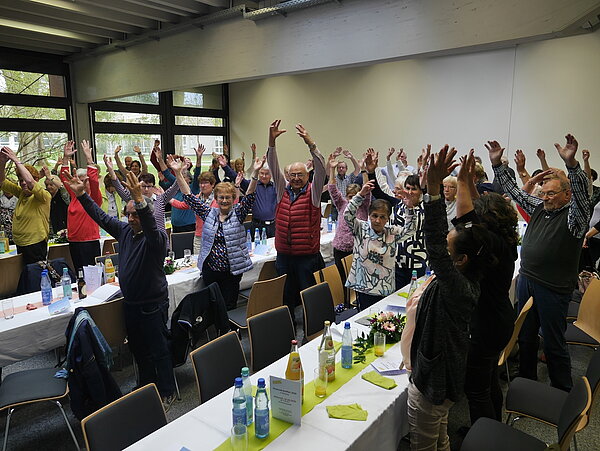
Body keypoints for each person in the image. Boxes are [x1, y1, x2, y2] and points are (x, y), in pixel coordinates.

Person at [62, 170, 176, 409]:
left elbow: (148, 221)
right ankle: (146, 385)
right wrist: (82, 195)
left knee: (159, 350)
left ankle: (167, 391)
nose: (131, 218)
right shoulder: (125, 231)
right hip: (131, 303)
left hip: (152, 304)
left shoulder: (156, 239)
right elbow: (101, 217)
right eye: (128, 214)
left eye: (135, 215)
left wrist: (142, 203)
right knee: (138, 350)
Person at [407, 146, 496, 451]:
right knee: (440, 436)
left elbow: (433, 241)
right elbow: (467, 228)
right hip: (442, 376)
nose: (446, 241)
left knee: (424, 443)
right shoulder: (472, 267)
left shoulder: (458, 285)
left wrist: (432, 189)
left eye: (449, 245)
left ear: (459, 260)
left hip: (435, 381)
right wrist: (463, 182)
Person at [488, 134, 590, 391]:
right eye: (543, 193)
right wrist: (498, 166)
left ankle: (561, 391)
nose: (545, 197)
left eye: (551, 194)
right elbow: (513, 191)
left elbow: (581, 195)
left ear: (566, 195)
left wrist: (572, 166)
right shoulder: (541, 206)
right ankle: (526, 381)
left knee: (553, 341)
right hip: (528, 280)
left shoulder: (574, 217)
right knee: (526, 334)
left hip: (553, 288)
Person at [454, 151, 518, 429]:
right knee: (489, 377)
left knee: (476, 389)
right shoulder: (504, 239)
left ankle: (484, 439)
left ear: (487, 219)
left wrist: (461, 181)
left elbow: (466, 219)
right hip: (500, 318)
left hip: (487, 323)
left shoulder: (489, 241)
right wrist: (467, 180)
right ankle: (494, 430)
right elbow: (475, 210)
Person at [169, 154, 264, 310]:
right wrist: (178, 173)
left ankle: (229, 332)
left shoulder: (238, 213)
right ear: (216, 198)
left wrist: (255, 173)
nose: (224, 201)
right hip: (211, 271)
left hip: (232, 272)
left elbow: (250, 196)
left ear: (233, 198)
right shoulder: (208, 213)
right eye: (221, 197)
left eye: (227, 197)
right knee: (212, 304)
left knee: (229, 305)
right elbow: (188, 197)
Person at [266, 120, 327, 317]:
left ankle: (313, 331)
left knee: (308, 295)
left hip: (306, 257)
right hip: (284, 255)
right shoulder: (280, 190)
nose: (296, 178)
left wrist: (311, 144)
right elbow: (273, 165)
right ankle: (289, 329)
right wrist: (271, 142)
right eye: (292, 175)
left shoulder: (314, 193)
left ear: (307, 176)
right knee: (285, 296)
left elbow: (321, 168)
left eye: (300, 175)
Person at [344, 180, 416, 310]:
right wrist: (360, 195)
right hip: (363, 287)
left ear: (388, 218)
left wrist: (410, 209)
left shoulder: (392, 232)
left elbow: (411, 230)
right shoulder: (361, 227)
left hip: (385, 288)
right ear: (369, 215)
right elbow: (347, 214)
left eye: (382, 217)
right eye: (374, 216)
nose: (377, 220)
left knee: (383, 321)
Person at [0, 147, 51, 263]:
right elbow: (1, 181)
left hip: (35, 244)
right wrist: (2, 162)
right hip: (20, 243)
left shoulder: (43, 196)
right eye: (20, 180)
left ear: (37, 180)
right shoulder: (21, 194)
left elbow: (30, 182)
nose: (23, 183)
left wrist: (16, 161)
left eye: (24, 180)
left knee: (35, 275)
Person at [60, 140, 102, 272]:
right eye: (80, 180)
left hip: (89, 241)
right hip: (74, 241)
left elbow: (94, 180)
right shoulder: (74, 196)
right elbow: (64, 177)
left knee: (92, 275)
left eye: (86, 181)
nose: (83, 183)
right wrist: (66, 158)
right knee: (79, 274)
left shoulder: (94, 197)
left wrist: (89, 159)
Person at [327, 153, 369, 287]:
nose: (352, 199)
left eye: (355, 196)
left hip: (357, 249)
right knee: (341, 278)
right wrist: (332, 170)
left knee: (357, 280)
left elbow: (367, 189)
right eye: (350, 197)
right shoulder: (342, 204)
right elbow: (333, 190)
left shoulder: (363, 206)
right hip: (340, 248)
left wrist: (363, 170)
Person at [169, 170, 217, 255]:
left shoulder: (218, 199)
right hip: (199, 236)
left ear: (212, 184)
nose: (202, 185)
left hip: (213, 237)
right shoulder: (197, 198)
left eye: (205, 183)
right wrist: (167, 197)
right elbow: (182, 205)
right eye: (201, 183)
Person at [41, 166, 69, 234]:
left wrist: (50, 177)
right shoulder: (46, 195)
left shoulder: (62, 194)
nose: (48, 187)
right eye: (47, 185)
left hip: (65, 228)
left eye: (51, 184)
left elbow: (63, 188)